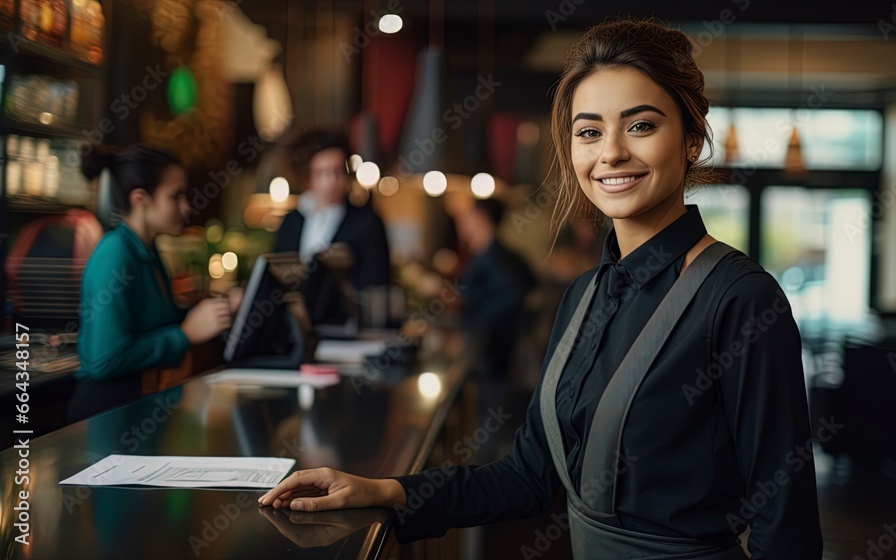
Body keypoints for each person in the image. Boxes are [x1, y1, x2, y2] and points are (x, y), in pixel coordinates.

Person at [260, 19, 823, 559]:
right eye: (589, 132)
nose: (611, 153)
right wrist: (383, 491)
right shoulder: (582, 297)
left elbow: (787, 527)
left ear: (693, 139)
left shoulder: (742, 298)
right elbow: (530, 477)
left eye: (642, 125)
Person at [68, 144, 232, 423]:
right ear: (140, 199)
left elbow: (152, 324)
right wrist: (186, 334)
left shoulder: (148, 251)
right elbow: (104, 361)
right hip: (105, 414)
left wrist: (220, 308)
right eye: (175, 195)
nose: (187, 206)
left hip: (135, 407)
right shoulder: (116, 253)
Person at [273, 127, 390, 327]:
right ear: (306, 175)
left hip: (347, 331)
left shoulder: (366, 223)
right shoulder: (292, 221)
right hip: (295, 330)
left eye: (337, 171)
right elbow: (276, 279)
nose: (332, 182)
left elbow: (376, 287)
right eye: (321, 173)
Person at [453, 197, 537, 380]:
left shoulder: (497, 257)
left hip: (493, 351)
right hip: (485, 347)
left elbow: (516, 292)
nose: (461, 221)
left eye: (468, 215)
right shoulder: (485, 254)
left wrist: (476, 313)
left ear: (482, 218)